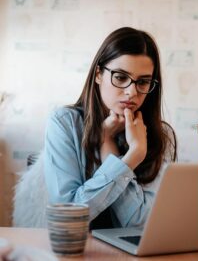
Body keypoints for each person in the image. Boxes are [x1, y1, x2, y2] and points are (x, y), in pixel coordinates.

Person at [44, 27, 177, 230]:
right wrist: (130, 158)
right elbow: (69, 217)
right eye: (121, 77)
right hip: (78, 253)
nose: (131, 91)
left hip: (134, 258)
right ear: (98, 74)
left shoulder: (161, 135)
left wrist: (110, 150)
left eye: (143, 82)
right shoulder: (64, 123)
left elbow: (140, 223)